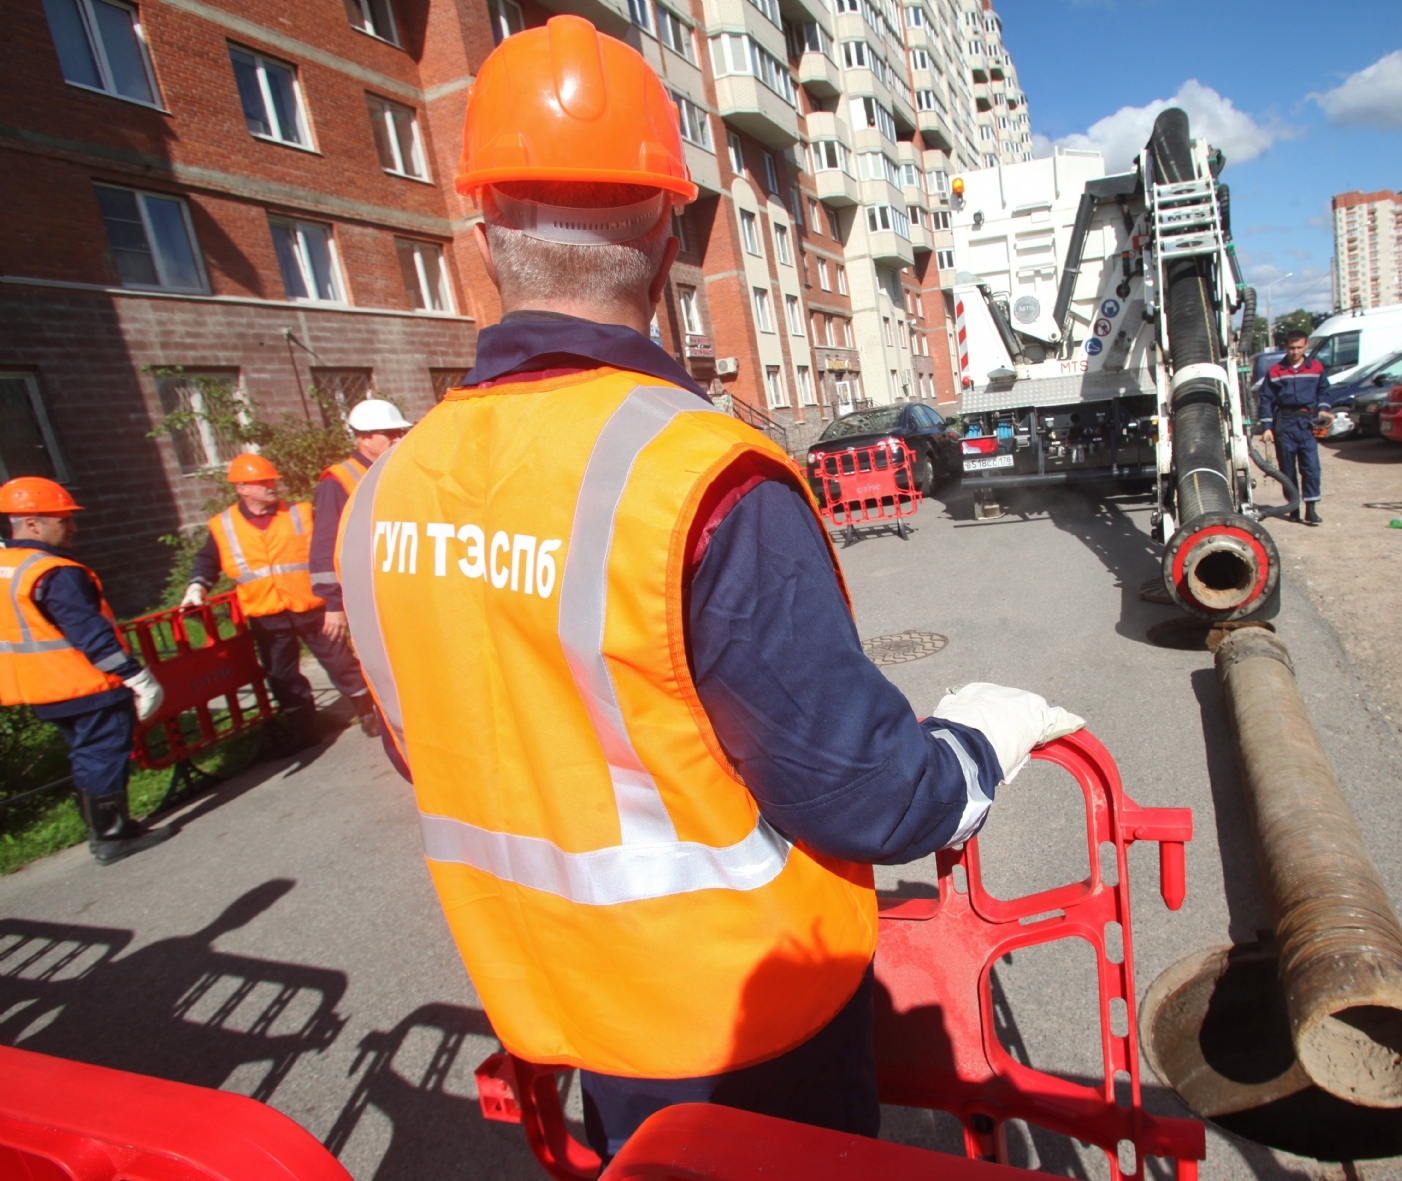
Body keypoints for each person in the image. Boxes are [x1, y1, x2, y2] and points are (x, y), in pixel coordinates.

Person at [336, 15, 1082, 1158]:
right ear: (672, 225)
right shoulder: (694, 474)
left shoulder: (383, 496)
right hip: (746, 1027)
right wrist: (976, 751)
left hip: (566, 1006)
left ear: (481, 231)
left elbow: (431, 740)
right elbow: (862, 794)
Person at [0, 477, 168, 864]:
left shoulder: (10, 568)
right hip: (86, 683)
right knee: (104, 754)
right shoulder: (53, 571)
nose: (72, 527)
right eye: (64, 519)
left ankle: (107, 826)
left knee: (85, 755)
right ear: (33, 523)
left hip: (43, 688)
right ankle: (111, 836)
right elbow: (91, 634)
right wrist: (135, 675)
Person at [183, 454, 376, 749]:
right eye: (263, 482)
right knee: (281, 674)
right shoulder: (223, 526)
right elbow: (207, 561)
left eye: (272, 480)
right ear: (242, 488)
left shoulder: (301, 512)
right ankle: (305, 732)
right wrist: (197, 587)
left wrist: (335, 601)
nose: (271, 486)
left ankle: (369, 714)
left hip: (312, 607)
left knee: (340, 662)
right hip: (267, 614)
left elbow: (327, 546)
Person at [306, 397, 413, 738]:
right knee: (379, 659)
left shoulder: (393, 466)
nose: (398, 439)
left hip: (394, 583)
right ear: (364, 437)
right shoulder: (336, 482)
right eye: (390, 433)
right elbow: (324, 546)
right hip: (364, 591)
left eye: (399, 432)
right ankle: (383, 718)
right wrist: (333, 604)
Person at [1259, 329, 1334, 525]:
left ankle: (1311, 509)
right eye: (1291, 347)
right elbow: (1266, 399)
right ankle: (1294, 507)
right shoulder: (1275, 371)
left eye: (1299, 347)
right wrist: (1267, 427)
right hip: (1284, 423)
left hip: (1307, 424)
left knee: (1311, 467)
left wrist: (1324, 410)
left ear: (1306, 346)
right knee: (1287, 470)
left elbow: (1324, 392)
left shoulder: (1316, 368)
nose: (1295, 351)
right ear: (1286, 347)